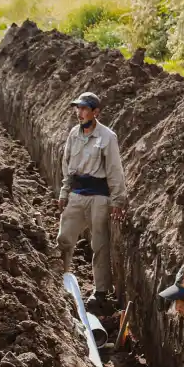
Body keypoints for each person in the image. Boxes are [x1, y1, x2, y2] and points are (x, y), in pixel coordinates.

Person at [57, 91, 125, 313]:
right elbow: (66, 166)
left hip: (99, 198)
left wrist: (118, 200)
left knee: (99, 245)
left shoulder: (107, 137)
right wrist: (64, 192)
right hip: (77, 195)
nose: (80, 113)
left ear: (96, 112)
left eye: (85, 109)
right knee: (64, 239)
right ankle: (60, 283)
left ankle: (101, 293)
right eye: (78, 108)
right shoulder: (73, 135)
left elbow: (115, 170)